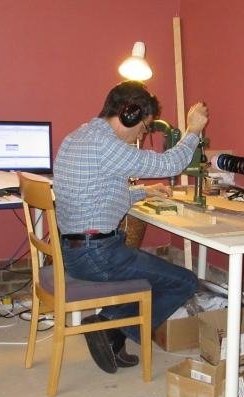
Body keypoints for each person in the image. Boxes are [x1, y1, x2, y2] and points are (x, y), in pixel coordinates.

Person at [52, 80, 209, 373]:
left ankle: (111, 332)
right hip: (97, 255)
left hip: (75, 250)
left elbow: (97, 193)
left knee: (156, 275)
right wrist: (193, 131)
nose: (142, 134)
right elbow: (170, 165)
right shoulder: (107, 145)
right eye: (145, 126)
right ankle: (110, 327)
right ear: (130, 115)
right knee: (184, 281)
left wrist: (142, 192)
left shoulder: (78, 137)